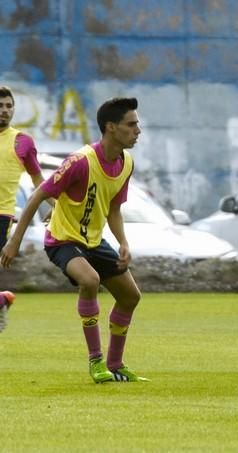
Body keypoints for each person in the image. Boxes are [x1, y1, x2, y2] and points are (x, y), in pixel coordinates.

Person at [1, 97, 149, 383]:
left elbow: (114, 209)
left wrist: (124, 243)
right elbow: (38, 194)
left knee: (131, 296)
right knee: (90, 280)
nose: (138, 130)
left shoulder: (126, 163)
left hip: (94, 241)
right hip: (62, 239)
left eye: (137, 124)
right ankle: (96, 362)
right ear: (111, 127)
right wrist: (14, 241)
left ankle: (115, 364)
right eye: (131, 125)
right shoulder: (80, 161)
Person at [0, 86, 50, 332]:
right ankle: (2, 300)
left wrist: (58, 206)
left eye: (9, 106)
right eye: (0, 106)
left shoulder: (22, 142)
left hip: (2, 214)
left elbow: (39, 181)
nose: (4, 111)